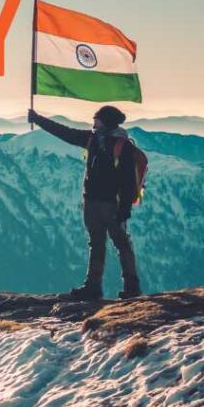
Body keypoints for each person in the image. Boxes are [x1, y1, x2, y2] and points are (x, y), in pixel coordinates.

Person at [28, 105, 142, 300]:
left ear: (105, 121)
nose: (93, 121)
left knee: (117, 243)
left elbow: (128, 180)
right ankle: (97, 287)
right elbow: (64, 133)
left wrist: (124, 208)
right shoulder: (93, 139)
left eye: (96, 119)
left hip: (107, 204)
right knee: (101, 243)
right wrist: (38, 119)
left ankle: (124, 288)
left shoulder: (121, 146)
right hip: (92, 202)